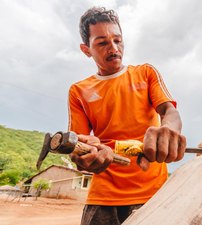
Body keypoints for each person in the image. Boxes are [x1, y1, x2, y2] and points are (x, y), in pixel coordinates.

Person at [68, 6, 186, 225]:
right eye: (102, 43)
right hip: (103, 200)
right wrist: (84, 156)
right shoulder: (78, 91)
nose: (113, 48)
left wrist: (169, 130)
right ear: (86, 50)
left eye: (117, 40)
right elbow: (79, 144)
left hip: (153, 196)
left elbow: (169, 111)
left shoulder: (146, 73)